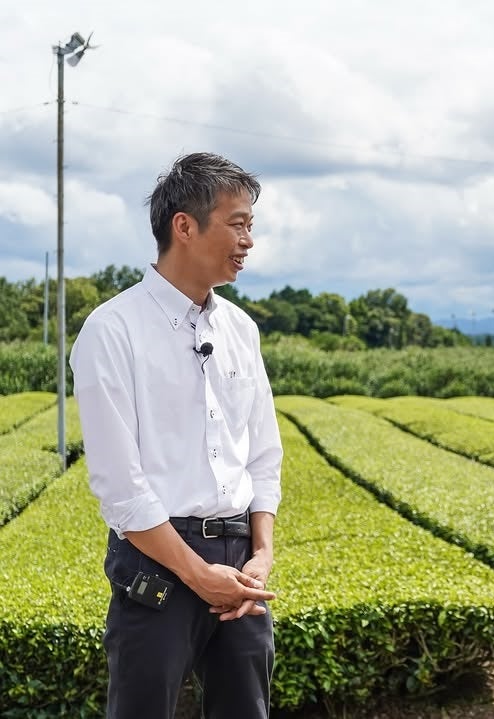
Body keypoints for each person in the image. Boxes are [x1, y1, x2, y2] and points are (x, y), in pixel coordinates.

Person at [70, 152, 283, 719]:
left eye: (250, 226)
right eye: (238, 223)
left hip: (239, 565)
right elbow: (120, 486)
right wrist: (196, 573)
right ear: (184, 227)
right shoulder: (112, 330)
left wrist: (260, 555)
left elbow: (262, 456)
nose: (249, 241)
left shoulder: (241, 329)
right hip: (156, 564)